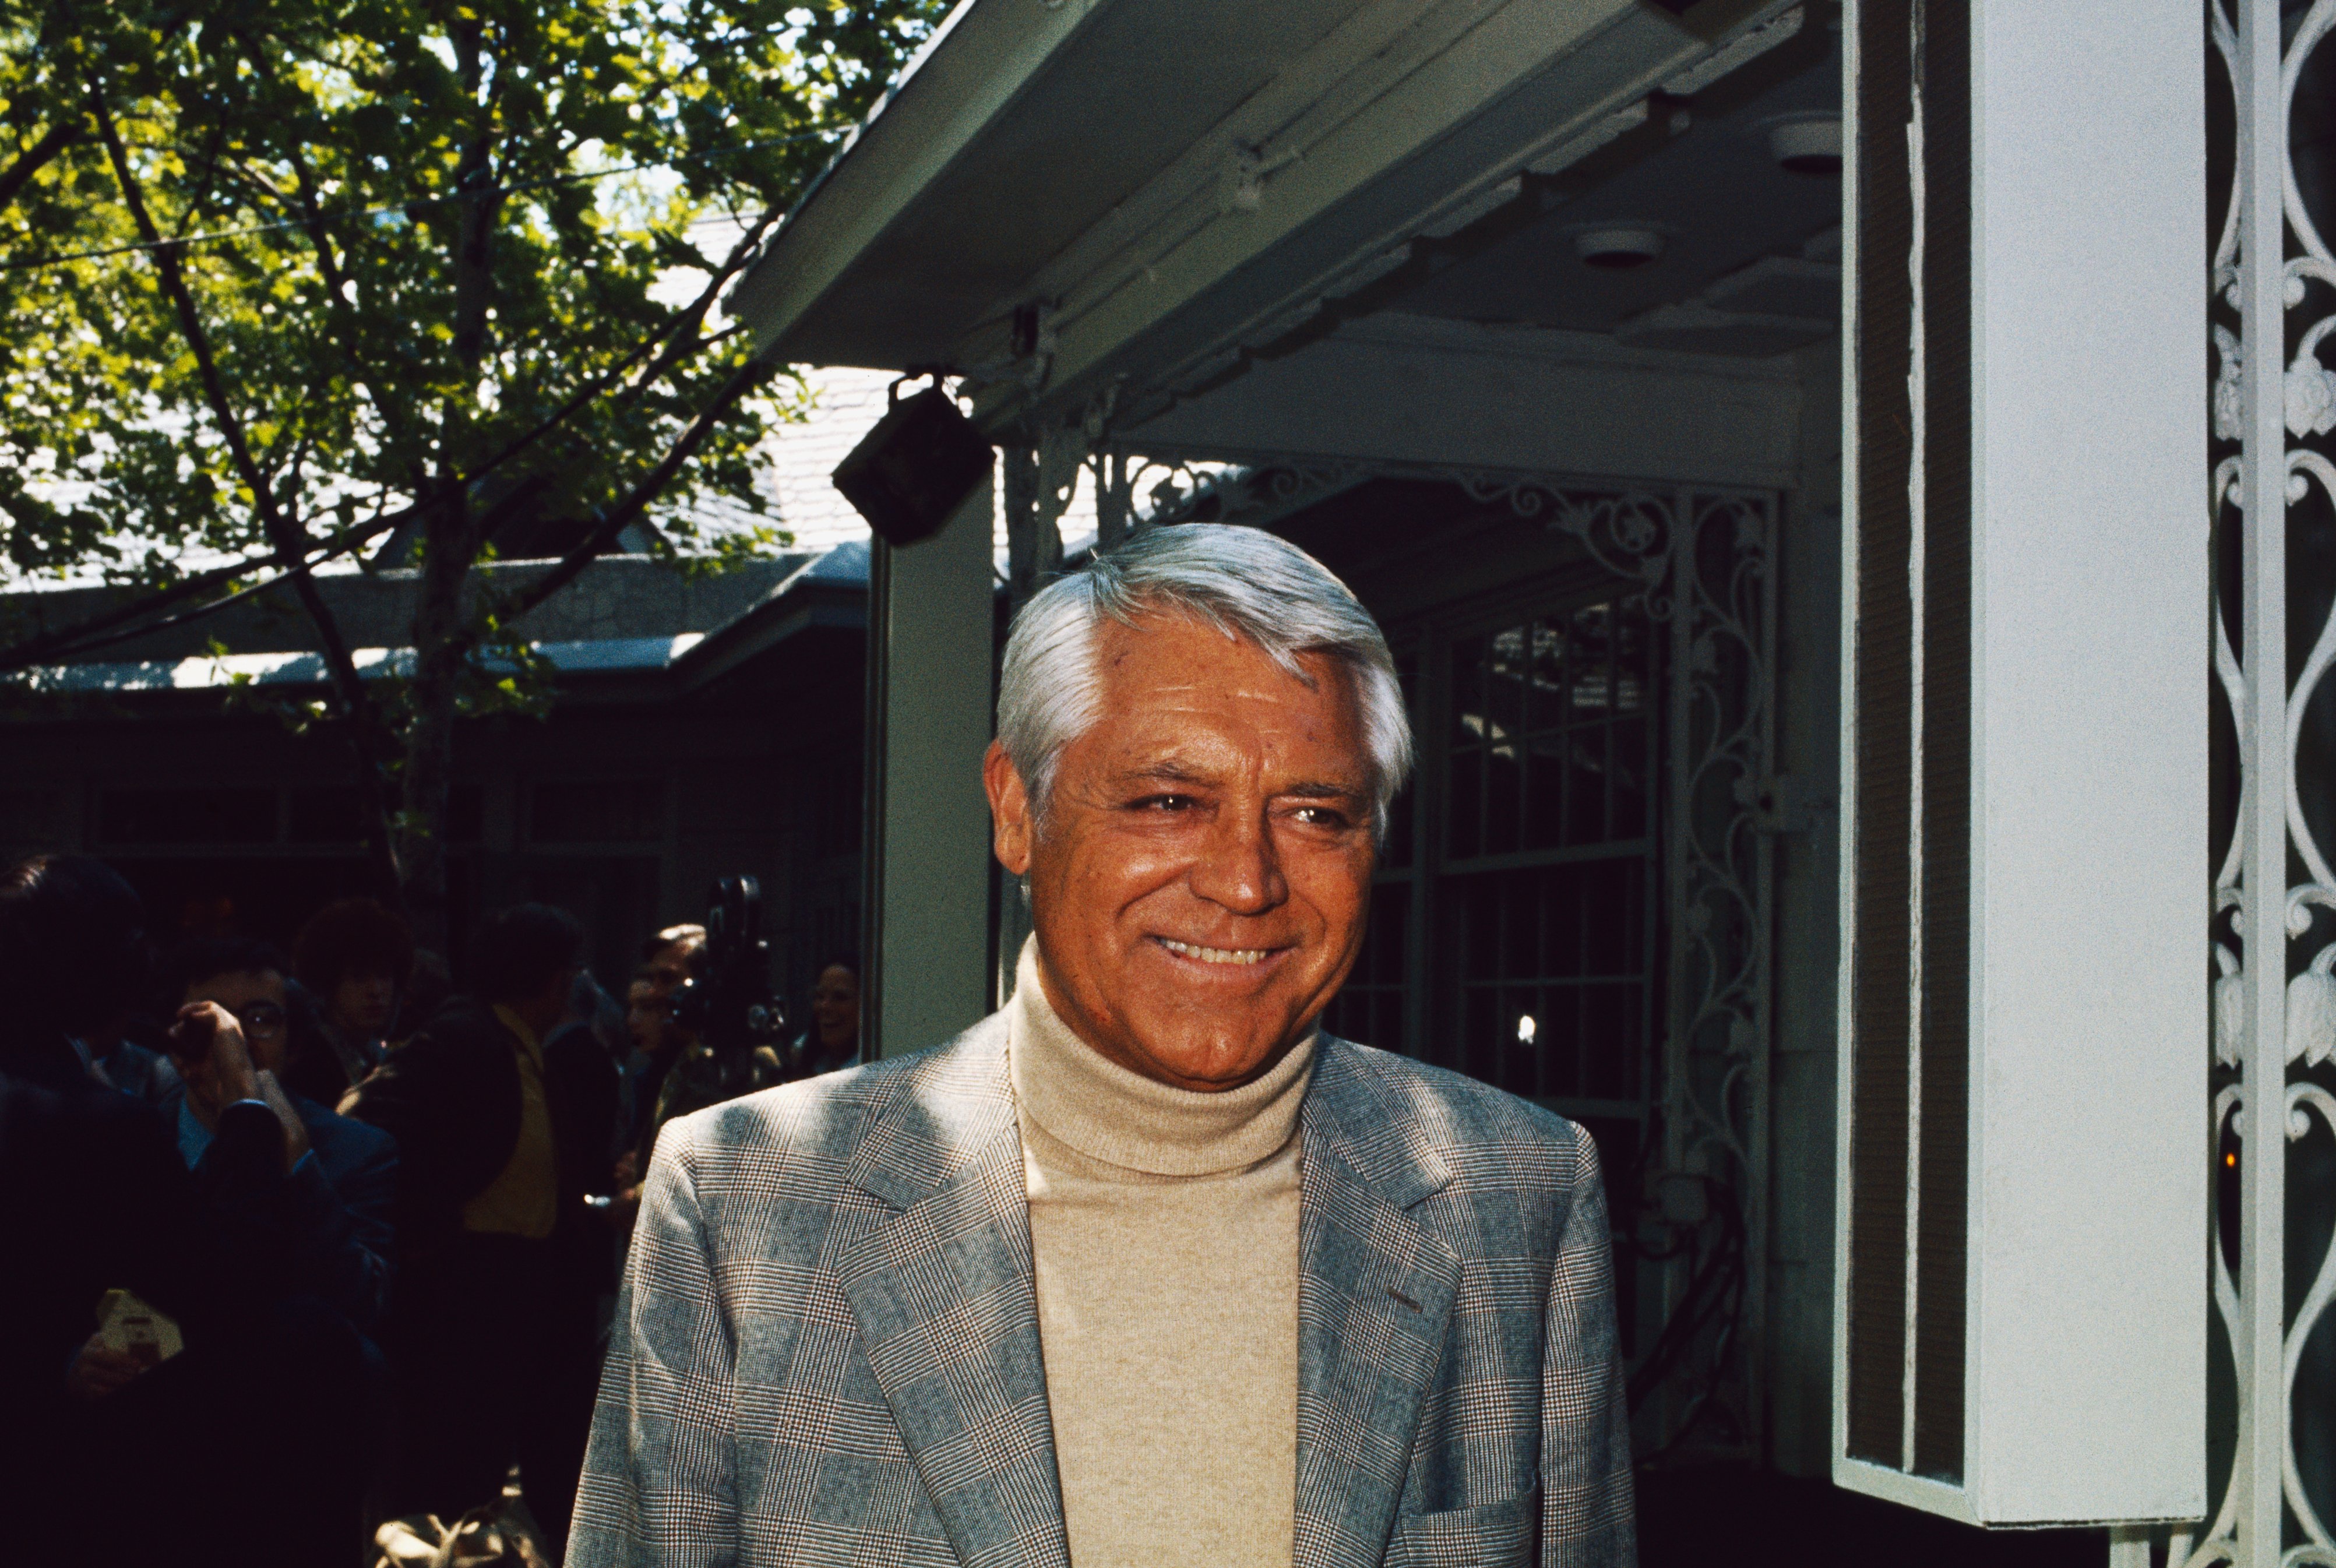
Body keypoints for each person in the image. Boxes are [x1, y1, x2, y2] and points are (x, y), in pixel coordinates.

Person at [570, 526, 1634, 1567]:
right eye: (1169, 800)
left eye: (1314, 812)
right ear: (1016, 810)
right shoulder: (746, 1208)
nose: (1246, 881)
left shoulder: (1518, 1200)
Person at [0, 855, 382, 1567]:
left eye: (264, 1017)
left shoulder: (361, 1151)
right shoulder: (104, 1122)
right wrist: (246, 1108)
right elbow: (211, 1299)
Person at [344, 903, 617, 1557]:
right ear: (551, 981)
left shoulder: (515, 1045)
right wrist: (428, 1233)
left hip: (508, 1308)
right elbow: (369, 1123)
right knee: (446, 1480)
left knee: (479, 1476)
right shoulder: (464, 1038)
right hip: (461, 1306)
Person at [160, 936, 399, 1340]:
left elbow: (362, 1304)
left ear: (294, 1042)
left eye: (259, 1019)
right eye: (209, 1024)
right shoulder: (142, 1136)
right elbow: (108, 1279)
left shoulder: (356, 1151)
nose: (232, 1042)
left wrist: (301, 1168)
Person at [291, 895, 415, 1098]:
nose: (375, 991)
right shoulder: (310, 1069)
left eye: (384, 976)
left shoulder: (383, 1059)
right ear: (328, 984)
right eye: (359, 978)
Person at [792, 953, 861, 1077]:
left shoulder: (870, 1066)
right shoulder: (806, 1054)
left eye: (840, 997)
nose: (825, 1006)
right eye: (820, 996)